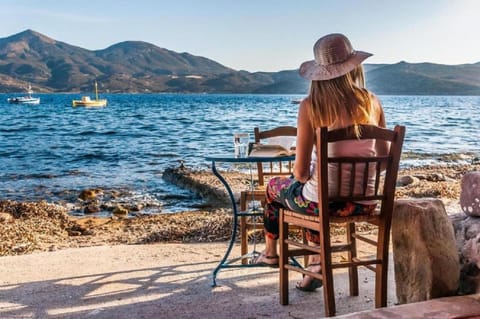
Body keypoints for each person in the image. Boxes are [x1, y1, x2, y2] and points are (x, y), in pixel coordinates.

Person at [251, 33, 388, 292]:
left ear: (319, 73)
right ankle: (314, 263)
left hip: (323, 205)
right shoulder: (373, 102)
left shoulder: (310, 106)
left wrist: (311, 173)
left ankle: (271, 253)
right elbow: (383, 163)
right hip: (366, 204)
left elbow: (301, 172)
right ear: (353, 66)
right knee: (311, 193)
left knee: (278, 189)